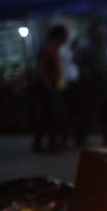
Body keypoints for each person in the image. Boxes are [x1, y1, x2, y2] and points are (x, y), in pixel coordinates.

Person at [74, 22, 107, 146]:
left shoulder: (103, 47)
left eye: (104, 33)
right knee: (88, 111)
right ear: (94, 35)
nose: (103, 36)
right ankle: (80, 138)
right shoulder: (88, 48)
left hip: (105, 84)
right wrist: (85, 69)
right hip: (93, 84)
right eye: (101, 33)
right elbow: (75, 58)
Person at [33, 25, 69, 153]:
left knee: (47, 117)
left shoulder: (54, 49)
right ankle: (51, 144)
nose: (66, 39)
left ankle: (42, 144)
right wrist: (47, 85)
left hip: (53, 87)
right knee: (51, 117)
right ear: (60, 36)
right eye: (65, 36)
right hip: (47, 88)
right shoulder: (47, 48)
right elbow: (40, 68)